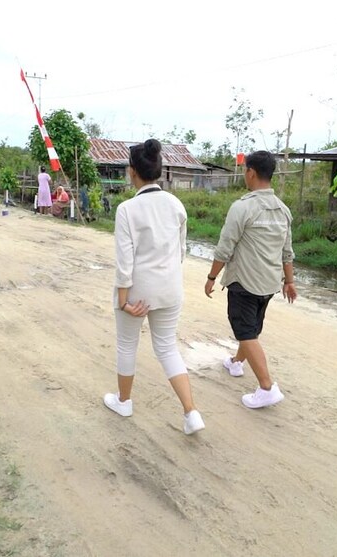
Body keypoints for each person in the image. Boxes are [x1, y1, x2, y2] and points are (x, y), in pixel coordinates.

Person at [104, 139, 204, 435]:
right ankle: (191, 412)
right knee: (167, 347)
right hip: (170, 289)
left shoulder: (127, 209)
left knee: (127, 345)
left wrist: (123, 301)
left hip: (137, 291)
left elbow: (125, 261)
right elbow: (181, 251)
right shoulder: (176, 204)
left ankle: (124, 402)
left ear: (132, 171)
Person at [204, 150, 297, 409]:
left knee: (245, 332)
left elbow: (225, 247)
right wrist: (289, 281)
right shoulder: (283, 210)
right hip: (269, 284)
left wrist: (212, 276)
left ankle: (267, 387)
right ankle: (236, 363)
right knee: (252, 329)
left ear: (251, 172)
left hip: (244, 282)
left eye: (245, 171)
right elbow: (287, 251)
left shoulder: (243, 207)